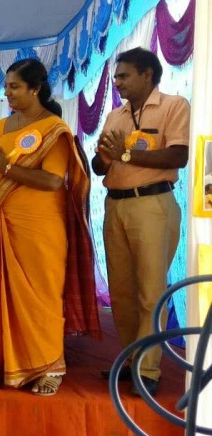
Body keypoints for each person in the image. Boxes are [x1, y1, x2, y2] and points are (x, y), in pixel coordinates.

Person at [0, 58, 98, 396]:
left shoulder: (54, 129)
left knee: (41, 295)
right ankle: (7, 362)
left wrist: (5, 166)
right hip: (0, 219)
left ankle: (50, 367)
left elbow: (53, 181)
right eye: (6, 87)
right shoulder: (2, 127)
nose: (8, 93)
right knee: (4, 294)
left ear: (35, 88)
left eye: (14, 86)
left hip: (39, 226)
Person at [92, 47, 189, 397]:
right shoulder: (115, 116)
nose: (117, 82)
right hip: (115, 205)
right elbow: (99, 165)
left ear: (147, 74)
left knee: (150, 291)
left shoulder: (174, 106)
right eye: (116, 77)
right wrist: (105, 158)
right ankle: (131, 360)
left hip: (152, 203)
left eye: (123, 76)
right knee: (121, 292)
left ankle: (148, 369)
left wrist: (126, 153)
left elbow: (179, 155)